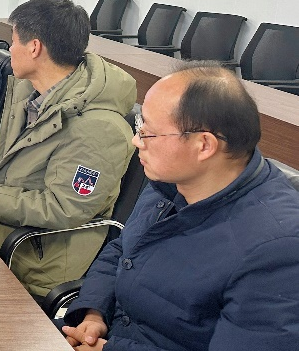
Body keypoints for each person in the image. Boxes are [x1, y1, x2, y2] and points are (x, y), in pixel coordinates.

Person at [62, 63, 299, 351]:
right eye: (140, 127)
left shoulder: (276, 248)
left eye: (148, 132)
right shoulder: (171, 181)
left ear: (204, 145)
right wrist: (93, 312)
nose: (136, 141)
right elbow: (122, 250)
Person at [0, 0, 136, 297]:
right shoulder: (31, 93)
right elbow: (7, 160)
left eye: (13, 41)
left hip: (29, 259)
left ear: (34, 48)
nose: (9, 49)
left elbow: (62, 208)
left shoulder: (98, 129)